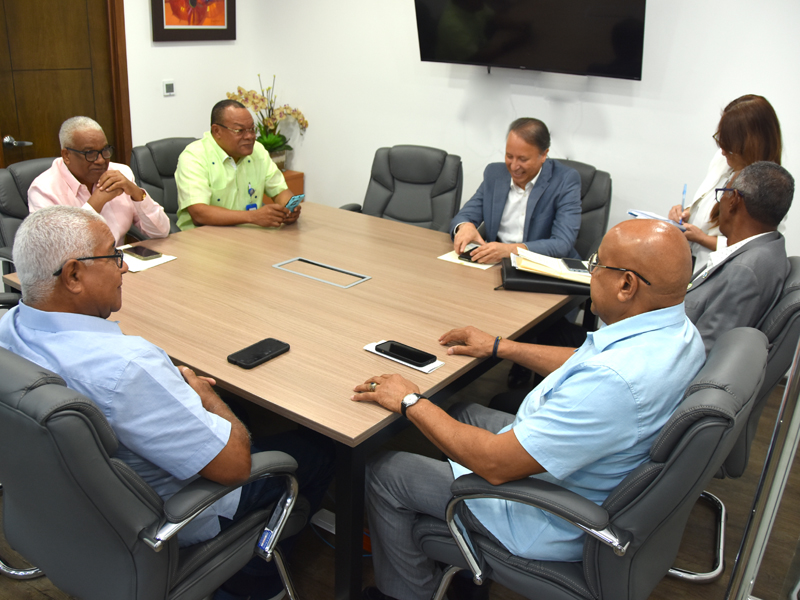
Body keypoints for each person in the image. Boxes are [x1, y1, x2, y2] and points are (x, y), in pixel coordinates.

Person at [353, 219, 705, 600]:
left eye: (597, 265)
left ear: (626, 285)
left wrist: (409, 400)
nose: (591, 273)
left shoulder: (614, 382)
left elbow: (494, 463)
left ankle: (406, 594)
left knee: (383, 471)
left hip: (541, 513)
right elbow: (584, 361)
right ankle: (453, 557)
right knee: (459, 411)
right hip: (580, 469)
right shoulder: (678, 333)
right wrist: (500, 347)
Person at [0, 206, 334, 600]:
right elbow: (235, 467)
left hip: (62, 509)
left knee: (240, 413)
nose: (123, 268)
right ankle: (253, 585)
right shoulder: (127, 366)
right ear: (73, 275)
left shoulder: (10, 327)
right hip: (164, 518)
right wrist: (208, 397)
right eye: (113, 256)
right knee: (316, 449)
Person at [462, 161, 794, 416]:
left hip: (635, 381)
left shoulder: (747, 271)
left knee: (478, 407)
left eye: (723, 195)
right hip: (634, 357)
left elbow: (699, 362)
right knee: (553, 333)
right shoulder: (765, 252)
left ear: (734, 201)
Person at [668, 94, 782, 272]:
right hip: (688, 256)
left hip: (716, 267)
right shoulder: (723, 160)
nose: (722, 152)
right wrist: (686, 212)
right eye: (721, 140)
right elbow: (708, 200)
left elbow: (754, 246)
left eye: (729, 146)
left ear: (750, 144)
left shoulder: (771, 186)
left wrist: (702, 238)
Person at [450, 117, 582, 263]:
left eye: (523, 159)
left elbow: (562, 243)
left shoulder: (565, 180)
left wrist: (510, 250)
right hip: (496, 265)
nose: (513, 166)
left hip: (543, 269)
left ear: (544, 155)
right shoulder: (495, 174)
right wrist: (465, 226)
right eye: (509, 156)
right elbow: (464, 216)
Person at [28, 116, 171, 246]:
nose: (101, 160)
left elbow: (161, 231)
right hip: (76, 270)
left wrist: (137, 194)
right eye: (90, 153)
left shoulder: (121, 173)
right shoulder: (43, 189)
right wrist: (96, 203)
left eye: (105, 150)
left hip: (120, 266)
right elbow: (57, 249)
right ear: (66, 155)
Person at [175, 99, 299, 231]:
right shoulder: (194, 156)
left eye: (252, 129)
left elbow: (280, 191)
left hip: (248, 235)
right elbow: (199, 213)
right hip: (201, 239)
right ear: (217, 131)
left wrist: (289, 208)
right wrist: (253, 217)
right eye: (240, 131)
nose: (250, 136)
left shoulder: (258, 151)